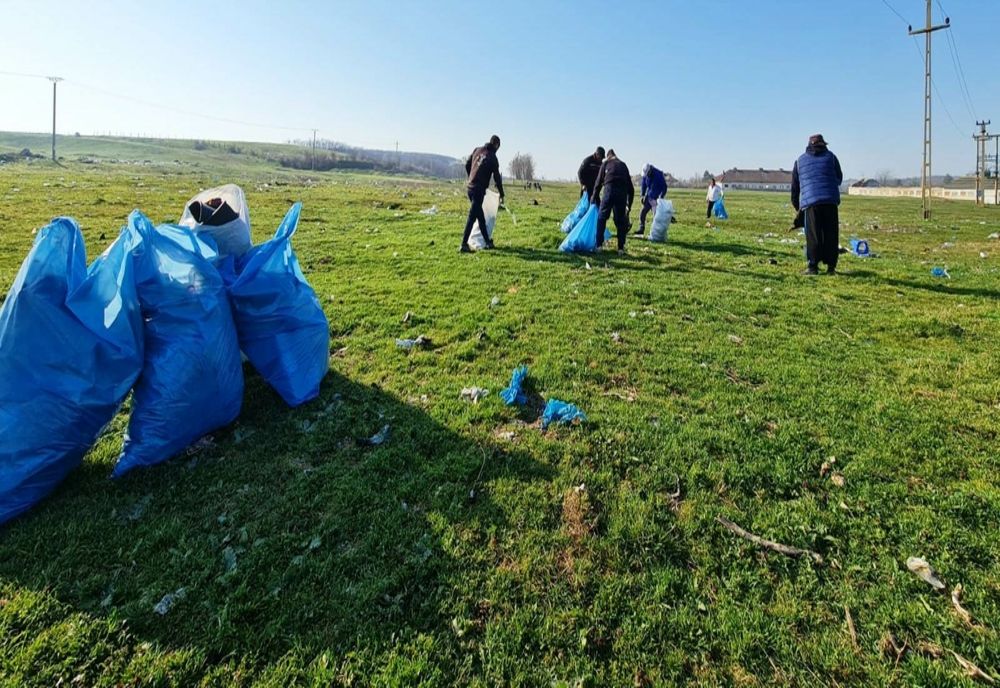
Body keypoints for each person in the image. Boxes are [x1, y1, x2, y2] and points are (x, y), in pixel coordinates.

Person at [791, 133, 843, 275]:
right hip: (830, 200)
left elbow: (795, 186)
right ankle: (831, 267)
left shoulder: (800, 161)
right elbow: (839, 178)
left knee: (813, 235)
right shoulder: (831, 157)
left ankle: (812, 267)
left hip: (811, 203)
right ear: (823, 145)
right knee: (831, 234)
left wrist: (797, 206)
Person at [460, 135, 505, 253]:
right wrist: (502, 194)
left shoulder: (477, 150)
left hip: (470, 188)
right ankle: (463, 244)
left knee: (480, 216)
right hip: (478, 190)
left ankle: (487, 241)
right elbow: (497, 178)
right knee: (472, 217)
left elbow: (467, 164)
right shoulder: (492, 158)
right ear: (496, 145)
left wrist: (471, 177)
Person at [591, 149, 635, 255]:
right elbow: (631, 189)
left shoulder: (606, 163)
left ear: (608, 156)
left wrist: (593, 198)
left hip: (609, 190)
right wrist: (629, 205)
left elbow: (598, 182)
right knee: (620, 221)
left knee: (601, 218)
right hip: (622, 193)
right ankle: (620, 248)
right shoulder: (623, 165)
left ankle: (599, 246)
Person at [638, 163, 668, 235]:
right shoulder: (646, 175)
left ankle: (656, 232)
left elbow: (664, 187)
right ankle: (641, 229)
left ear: (650, 170)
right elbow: (643, 185)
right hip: (649, 196)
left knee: (656, 216)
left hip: (656, 198)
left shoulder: (658, 175)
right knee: (642, 212)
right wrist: (642, 195)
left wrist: (661, 196)